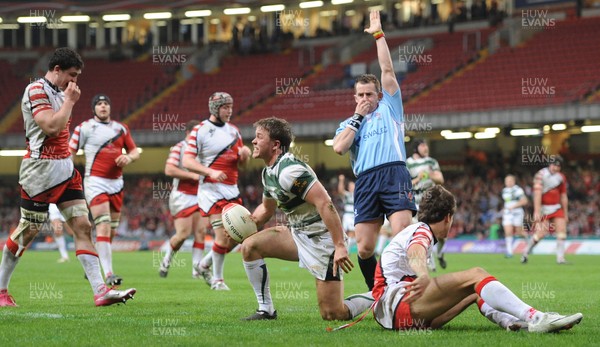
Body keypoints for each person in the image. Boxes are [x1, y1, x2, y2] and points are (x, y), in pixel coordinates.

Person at [0, 47, 135, 307]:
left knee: (83, 226)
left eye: (77, 77)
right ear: (57, 69)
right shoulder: (36, 90)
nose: (74, 82)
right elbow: (51, 126)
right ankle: (1, 290)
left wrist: (68, 98)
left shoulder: (62, 92)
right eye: (71, 75)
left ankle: (100, 290)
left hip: (65, 169)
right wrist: (71, 101)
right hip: (39, 170)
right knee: (28, 231)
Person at [373, 185, 583, 332]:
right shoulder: (422, 230)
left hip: (400, 314)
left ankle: (514, 324)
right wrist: (423, 275)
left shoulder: (418, 230)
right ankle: (536, 317)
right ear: (448, 217)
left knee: (474, 291)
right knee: (477, 274)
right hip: (398, 306)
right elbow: (415, 251)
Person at [241, 117, 373, 321]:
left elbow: (325, 203)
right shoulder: (268, 172)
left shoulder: (290, 172)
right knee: (250, 247)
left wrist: (339, 245)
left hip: (322, 240)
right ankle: (266, 310)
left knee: (333, 313)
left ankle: (379, 294)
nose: (254, 142)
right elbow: (265, 211)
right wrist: (240, 227)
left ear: (275, 144)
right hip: (298, 235)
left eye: (259, 137)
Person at [333, 10, 416, 290]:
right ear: (354, 97)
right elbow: (339, 148)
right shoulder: (349, 123)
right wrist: (357, 118)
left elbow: (388, 71)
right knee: (366, 248)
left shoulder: (389, 107)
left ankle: (409, 287)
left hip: (394, 173)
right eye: (361, 94)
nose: (366, 98)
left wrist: (379, 35)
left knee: (403, 232)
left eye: (370, 93)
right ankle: (377, 291)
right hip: (366, 181)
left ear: (379, 94)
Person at [183, 92, 251, 290]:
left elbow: (243, 167)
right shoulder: (200, 130)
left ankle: (204, 264)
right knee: (222, 237)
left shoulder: (234, 132)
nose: (229, 111)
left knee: (236, 237)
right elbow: (187, 161)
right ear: (215, 109)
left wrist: (245, 156)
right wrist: (210, 171)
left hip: (231, 190)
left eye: (230, 106)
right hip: (211, 192)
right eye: (225, 107)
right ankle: (217, 280)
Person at [69, 93, 140, 286]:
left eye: (105, 103)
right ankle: (109, 273)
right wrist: (67, 174)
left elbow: (134, 151)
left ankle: (92, 263)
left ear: (110, 107)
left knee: (111, 231)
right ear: (94, 108)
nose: (103, 107)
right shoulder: (84, 128)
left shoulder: (121, 128)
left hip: (117, 184)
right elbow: (70, 152)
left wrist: (129, 158)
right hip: (95, 182)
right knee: (103, 224)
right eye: (99, 104)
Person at [159, 120, 211, 282]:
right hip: (182, 196)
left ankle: (196, 270)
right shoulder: (179, 148)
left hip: (201, 195)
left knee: (201, 233)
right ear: (188, 133)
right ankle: (166, 261)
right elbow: (169, 169)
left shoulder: (205, 149)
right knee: (183, 234)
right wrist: (193, 175)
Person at [406, 139, 445, 271]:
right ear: (416, 148)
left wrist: (429, 175)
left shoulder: (432, 161)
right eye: (423, 145)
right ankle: (430, 263)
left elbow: (440, 179)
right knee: (424, 230)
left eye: (426, 145)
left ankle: (439, 253)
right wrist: (418, 178)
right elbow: (405, 185)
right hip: (416, 201)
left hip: (432, 200)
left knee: (441, 235)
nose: (426, 148)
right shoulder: (408, 163)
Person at [522, 156, 569, 264]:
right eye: (554, 165)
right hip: (544, 209)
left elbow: (563, 195)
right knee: (541, 233)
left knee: (561, 231)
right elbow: (537, 193)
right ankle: (526, 252)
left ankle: (560, 258)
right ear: (549, 165)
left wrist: (565, 213)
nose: (555, 168)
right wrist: (537, 211)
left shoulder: (561, 177)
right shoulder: (541, 175)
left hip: (556, 207)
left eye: (558, 166)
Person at [501, 174, 527, 258]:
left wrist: (514, 206)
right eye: (506, 181)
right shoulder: (504, 190)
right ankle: (509, 252)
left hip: (517, 213)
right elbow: (507, 202)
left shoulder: (518, 190)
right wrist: (505, 208)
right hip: (508, 213)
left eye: (509, 181)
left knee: (519, 232)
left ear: (513, 181)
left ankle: (528, 241)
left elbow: (524, 201)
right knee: (508, 232)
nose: (507, 183)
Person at [337, 174, 356, 253]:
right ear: (348, 187)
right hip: (347, 216)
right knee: (344, 234)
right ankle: (343, 250)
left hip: (354, 216)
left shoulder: (358, 195)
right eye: (351, 186)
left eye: (353, 185)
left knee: (352, 234)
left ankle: (346, 251)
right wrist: (341, 180)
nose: (353, 187)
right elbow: (340, 191)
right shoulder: (347, 195)